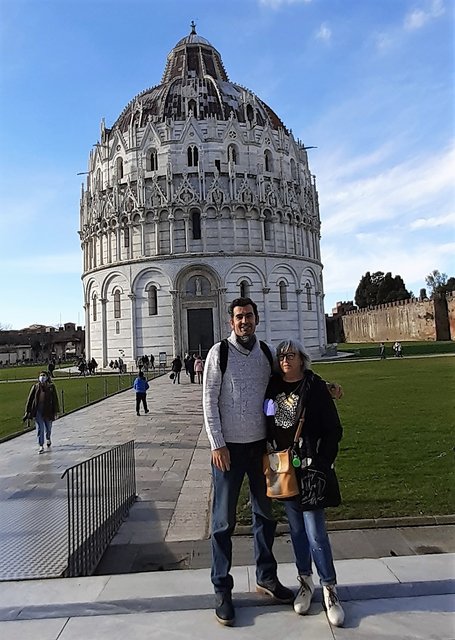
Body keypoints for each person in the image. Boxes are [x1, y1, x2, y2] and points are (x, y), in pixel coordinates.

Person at [203, 297, 295, 626]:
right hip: (228, 450)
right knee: (223, 524)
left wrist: (272, 424)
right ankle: (221, 589)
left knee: (264, 516)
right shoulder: (220, 353)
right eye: (239, 317)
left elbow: (277, 393)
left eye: (249, 316)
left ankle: (266, 577)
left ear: (257, 319)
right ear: (231, 322)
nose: (245, 321)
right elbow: (209, 400)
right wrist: (217, 444)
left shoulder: (266, 354)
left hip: (260, 449)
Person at [264, 338, 345, 627]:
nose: (286, 359)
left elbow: (334, 429)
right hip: (284, 470)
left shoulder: (314, 387)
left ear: (302, 358)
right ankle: (305, 584)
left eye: (291, 355)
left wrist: (324, 463)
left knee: (316, 533)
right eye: (282, 356)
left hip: (310, 469)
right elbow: (268, 419)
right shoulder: (273, 388)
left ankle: (330, 589)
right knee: (297, 532)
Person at [23, 371, 60, 454]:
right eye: (41, 375)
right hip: (38, 409)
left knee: (48, 427)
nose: (42, 377)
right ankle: (41, 445)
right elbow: (30, 399)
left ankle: (48, 438)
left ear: (47, 377)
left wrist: (56, 411)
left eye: (44, 375)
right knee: (40, 428)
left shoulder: (51, 387)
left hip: (48, 409)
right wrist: (27, 411)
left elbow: (55, 399)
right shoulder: (35, 387)